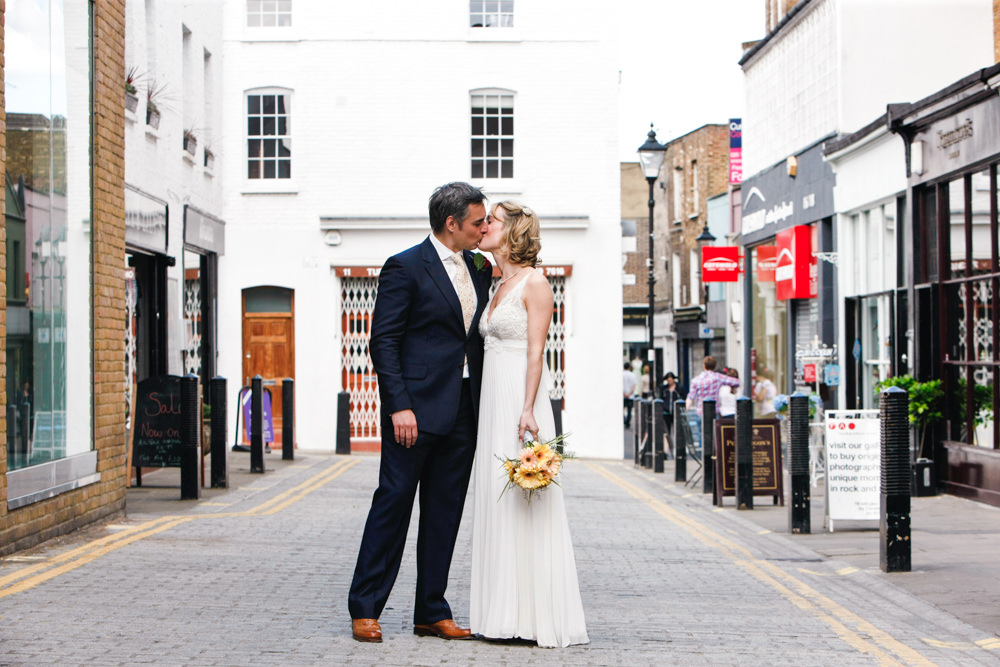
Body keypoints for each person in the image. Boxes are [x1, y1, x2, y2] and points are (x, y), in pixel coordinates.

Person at [348, 182, 492, 644]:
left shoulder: (479, 267)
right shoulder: (405, 267)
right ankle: (365, 608)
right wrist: (399, 406)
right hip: (413, 413)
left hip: (464, 411)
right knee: (392, 507)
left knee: (444, 513)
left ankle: (432, 610)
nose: (483, 228)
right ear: (452, 223)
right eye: (477, 222)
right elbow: (383, 342)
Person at [469, 200, 589, 648]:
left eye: (492, 221)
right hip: (491, 398)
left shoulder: (535, 282)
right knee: (497, 499)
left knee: (525, 499)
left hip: (520, 396)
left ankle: (532, 617)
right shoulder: (498, 282)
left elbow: (537, 352)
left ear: (513, 231)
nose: (483, 226)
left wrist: (527, 408)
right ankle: (499, 612)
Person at [687, 356, 741, 446]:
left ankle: (703, 457)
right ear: (715, 366)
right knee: (715, 436)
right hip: (714, 411)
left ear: (704, 366)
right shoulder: (718, 377)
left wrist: (686, 408)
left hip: (700, 412)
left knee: (702, 435)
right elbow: (736, 382)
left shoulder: (696, 380)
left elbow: (690, 397)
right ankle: (715, 457)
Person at [661, 371, 685, 447]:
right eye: (668, 380)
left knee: (677, 430)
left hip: (676, 412)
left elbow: (684, 397)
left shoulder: (679, 388)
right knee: (666, 432)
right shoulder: (664, 389)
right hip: (666, 412)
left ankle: (678, 446)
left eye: (671, 379)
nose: (669, 381)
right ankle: (668, 448)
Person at [622, 363, 638, 428]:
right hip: (630, 395)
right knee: (629, 410)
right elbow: (634, 385)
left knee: (622, 410)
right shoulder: (633, 375)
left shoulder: (621, 375)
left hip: (623, 395)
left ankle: (624, 421)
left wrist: (624, 393)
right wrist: (629, 393)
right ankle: (627, 422)